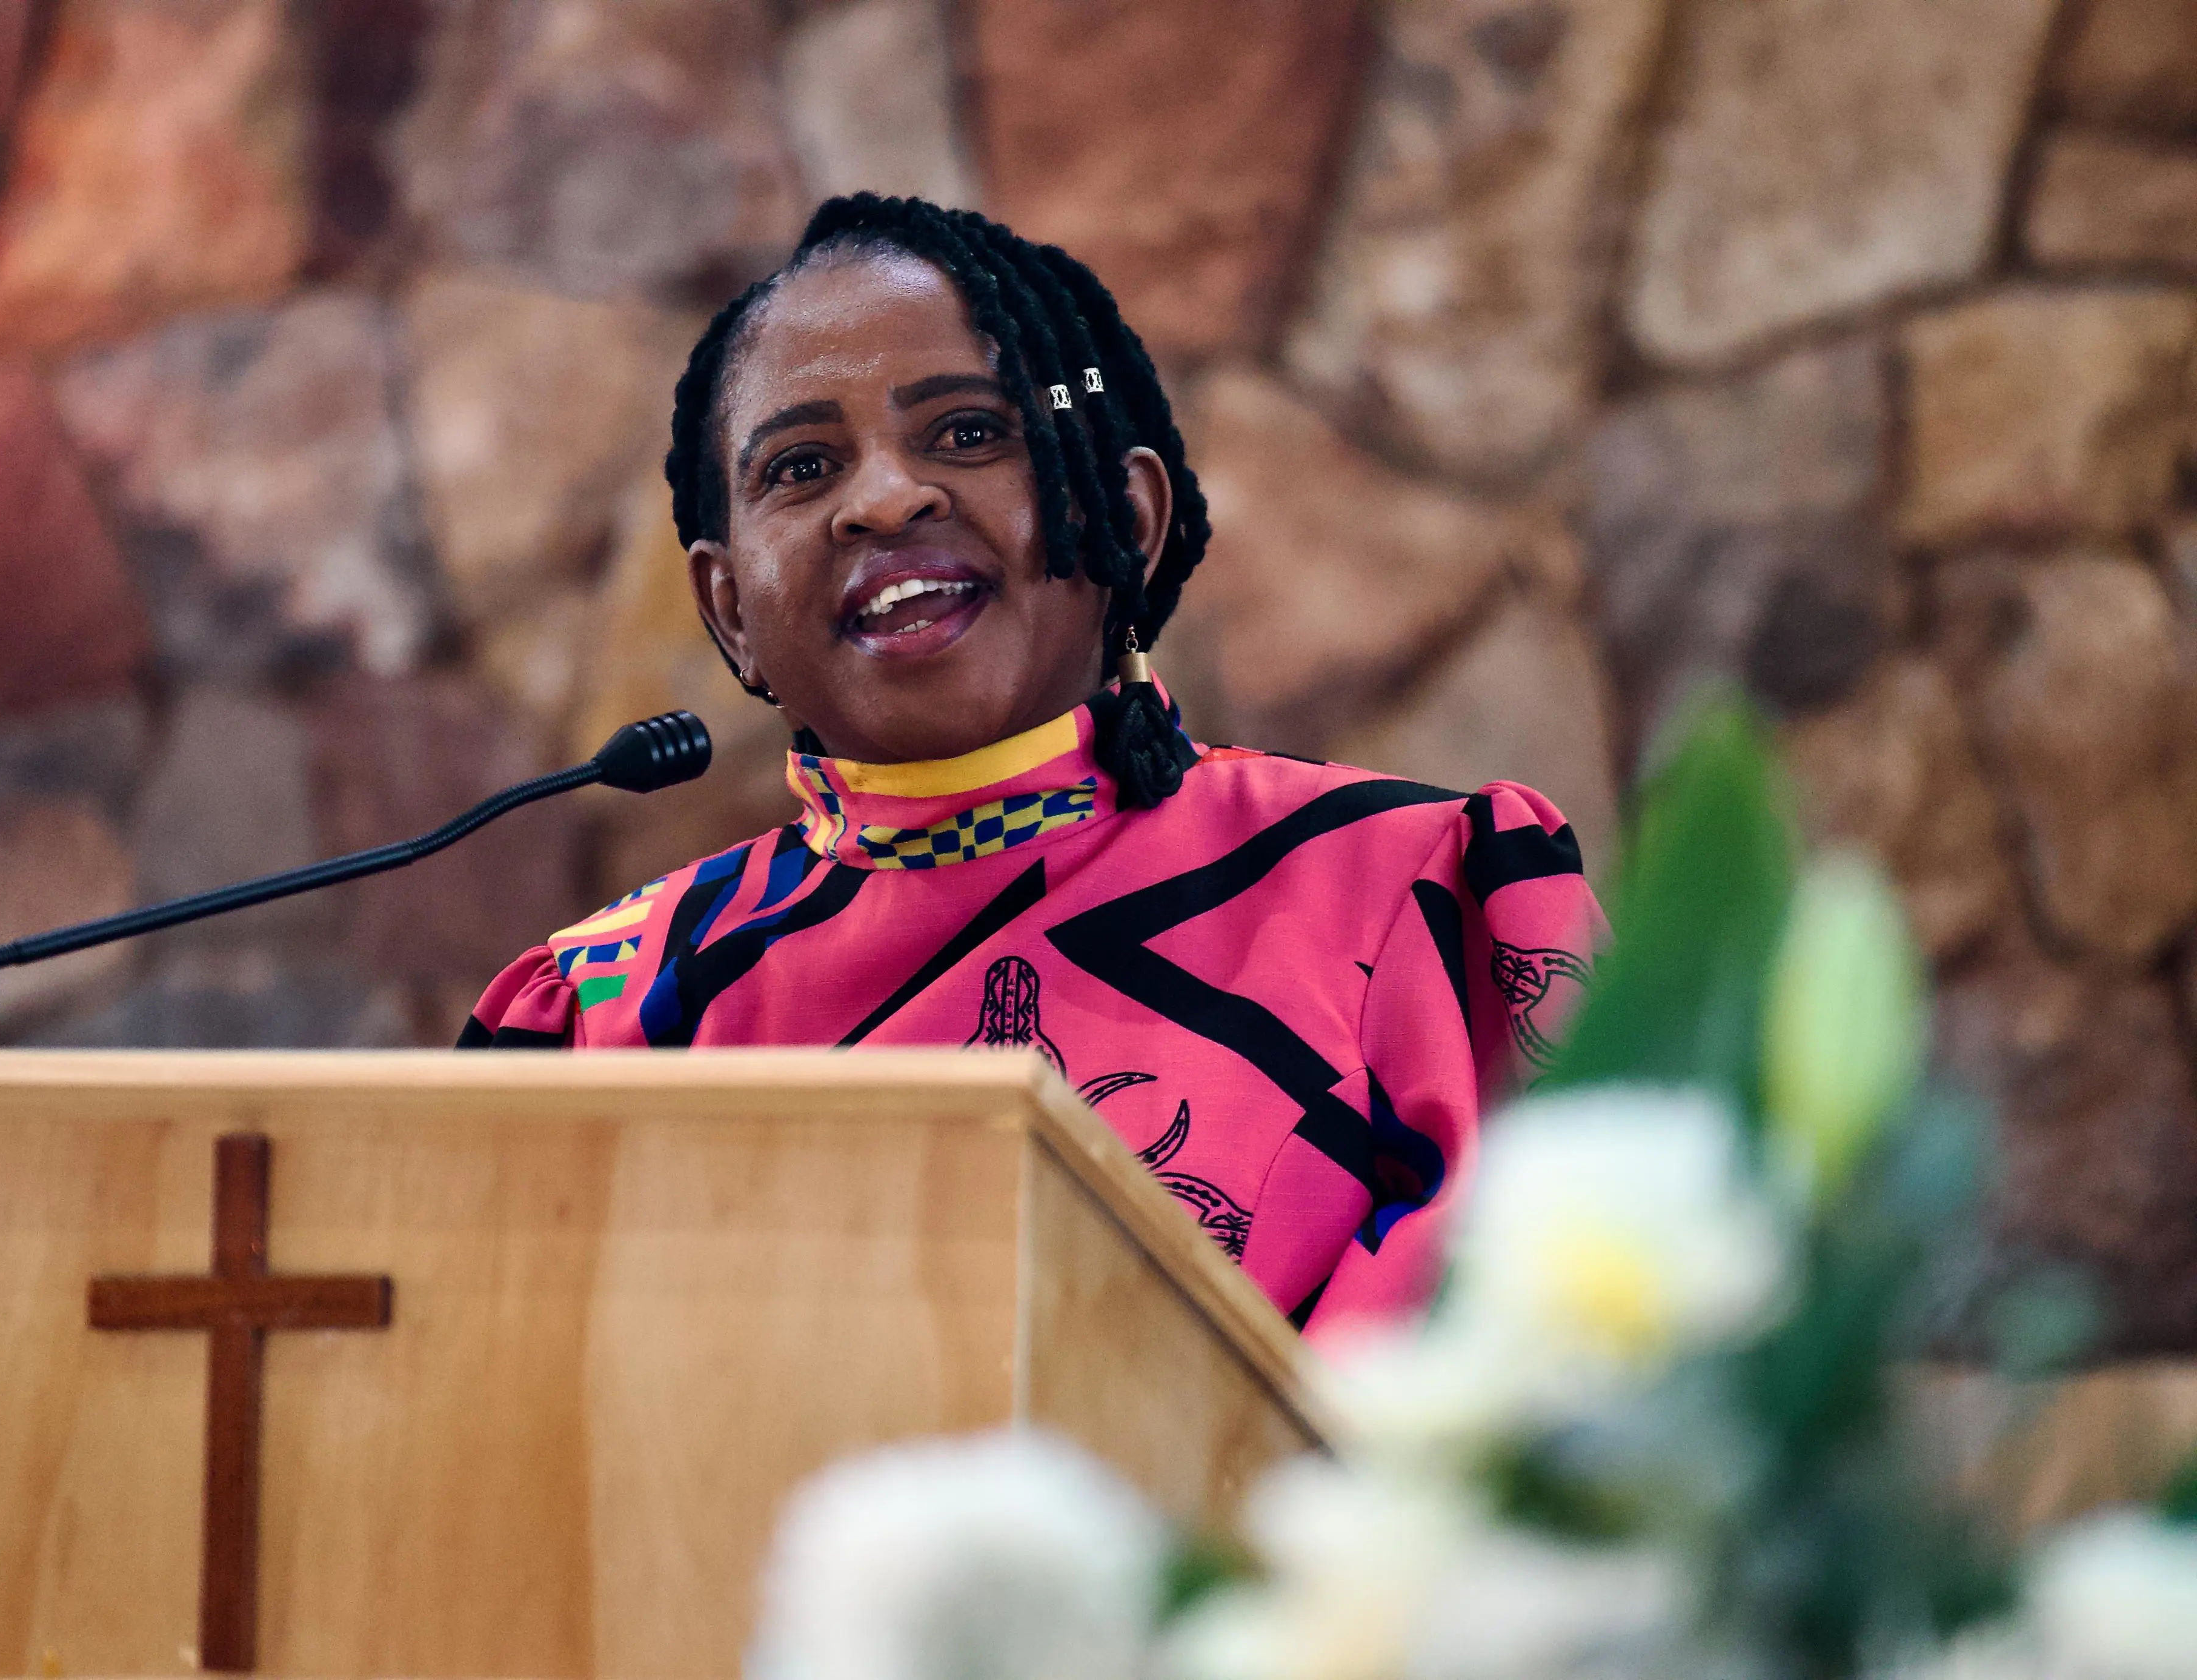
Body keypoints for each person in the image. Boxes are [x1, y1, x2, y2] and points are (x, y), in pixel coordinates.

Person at [460, 194, 1606, 1335]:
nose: (884, 498)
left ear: (1130, 517)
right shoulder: (604, 1017)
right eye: (803, 467)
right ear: (730, 612)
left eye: (969, 432)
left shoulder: (1415, 895)